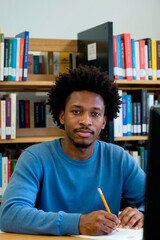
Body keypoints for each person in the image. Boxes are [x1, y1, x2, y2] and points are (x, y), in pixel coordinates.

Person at [0, 65, 145, 236]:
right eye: (76, 111)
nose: (86, 121)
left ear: (104, 121)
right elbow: (9, 215)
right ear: (62, 116)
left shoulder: (118, 158)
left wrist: (142, 214)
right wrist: (78, 223)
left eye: (95, 114)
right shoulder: (35, 157)